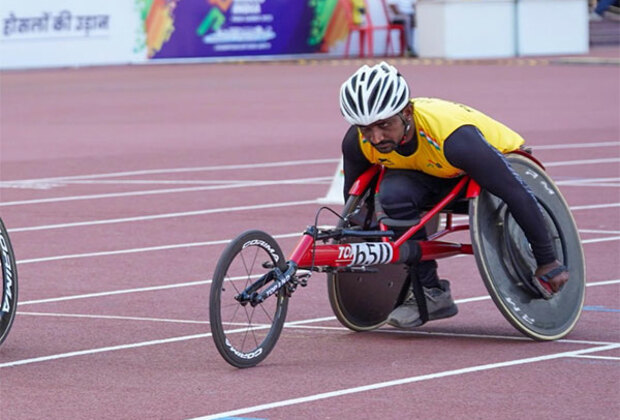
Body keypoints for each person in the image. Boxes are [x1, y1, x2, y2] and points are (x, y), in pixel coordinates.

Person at [338, 62, 569, 329]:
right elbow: (355, 204)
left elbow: (516, 193)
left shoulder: (454, 138)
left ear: (407, 112)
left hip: (487, 166)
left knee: (503, 190)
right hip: (428, 173)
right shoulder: (358, 142)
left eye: (384, 125)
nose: (376, 138)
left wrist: (546, 259)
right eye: (365, 129)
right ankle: (431, 293)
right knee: (391, 194)